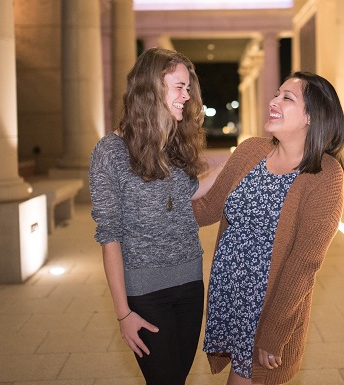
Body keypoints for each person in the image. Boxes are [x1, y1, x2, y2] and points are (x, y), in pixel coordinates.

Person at [193, 71, 344, 385]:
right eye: (276, 94)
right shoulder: (251, 150)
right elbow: (208, 209)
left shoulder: (326, 176)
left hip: (267, 303)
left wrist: (275, 332)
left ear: (310, 116)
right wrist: (152, 212)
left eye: (286, 98)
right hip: (230, 294)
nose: (273, 101)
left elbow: (304, 263)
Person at [89, 47, 208, 385]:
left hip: (191, 283)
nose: (187, 96)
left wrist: (246, 161)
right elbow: (108, 234)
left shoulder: (174, 142)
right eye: (179, 87)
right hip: (146, 291)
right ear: (151, 87)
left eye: (188, 88)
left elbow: (190, 192)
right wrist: (123, 313)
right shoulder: (109, 152)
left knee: (178, 378)